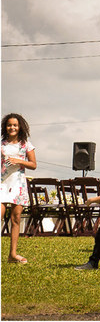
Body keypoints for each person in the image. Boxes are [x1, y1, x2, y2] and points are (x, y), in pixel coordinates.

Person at [0, 113, 35, 264]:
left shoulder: (26, 144)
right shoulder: (1, 144)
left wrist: (19, 161)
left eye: (15, 125)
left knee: (16, 218)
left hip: (18, 184)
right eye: (9, 125)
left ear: (20, 127)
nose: (12, 127)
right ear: (5, 127)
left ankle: (12, 254)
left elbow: (33, 164)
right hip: (2, 183)